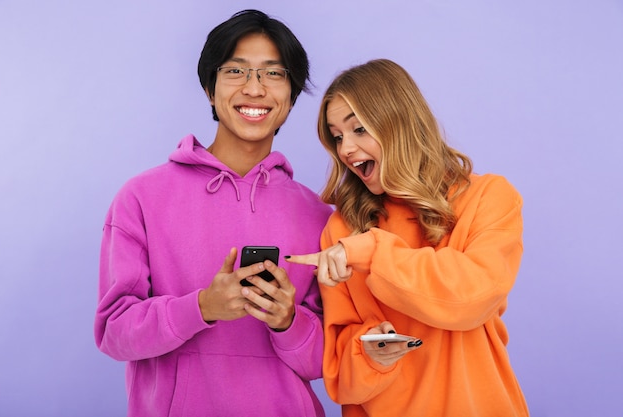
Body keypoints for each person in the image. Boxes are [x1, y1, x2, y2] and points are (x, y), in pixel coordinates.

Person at [94, 10, 332, 417]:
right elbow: (114, 332)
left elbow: (325, 362)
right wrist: (202, 307)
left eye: (274, 74)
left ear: (291, 97)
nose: (255, 89)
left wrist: (287, 321)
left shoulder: (318, 215)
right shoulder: (141, 197)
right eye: (236, 71)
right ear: (209, 87)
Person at [286, 59, 529, 416]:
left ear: (399, 122)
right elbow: (339, 373)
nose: (346, 150)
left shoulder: (489, 197)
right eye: (337, 137)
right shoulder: (342, 229)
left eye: (359, 130)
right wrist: (369, 355)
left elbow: (473, 295)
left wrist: (374, 251)